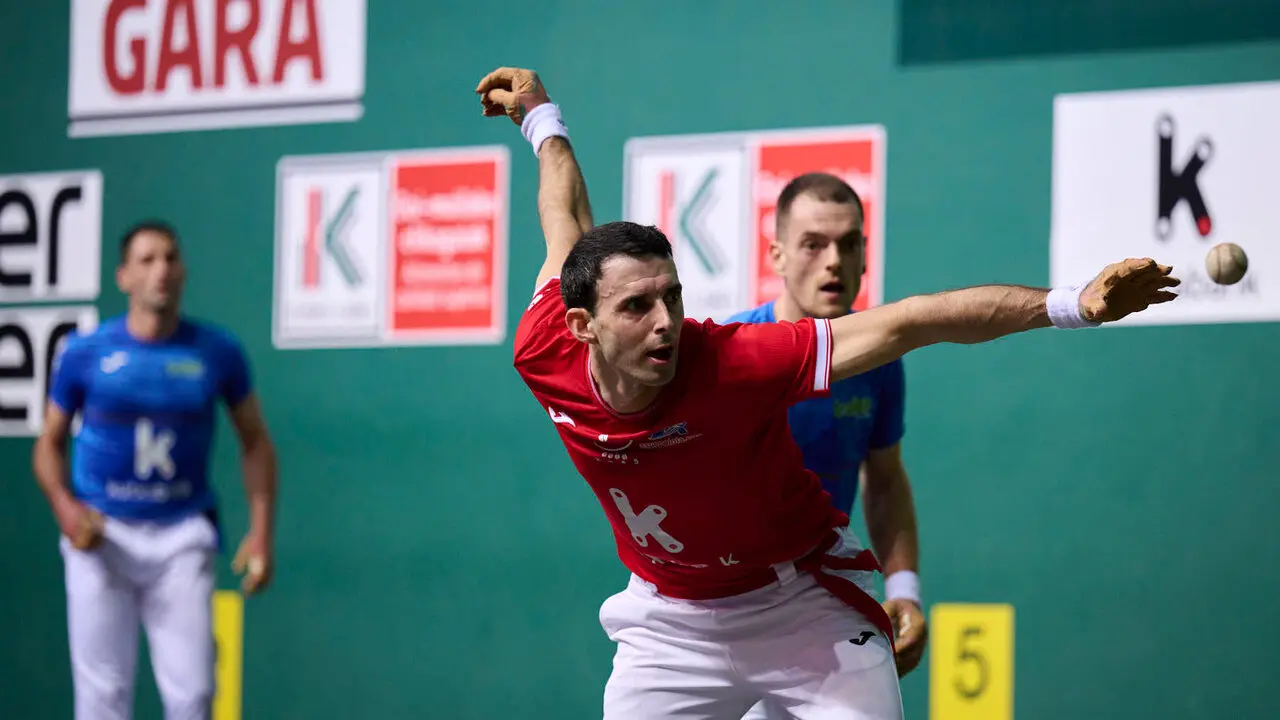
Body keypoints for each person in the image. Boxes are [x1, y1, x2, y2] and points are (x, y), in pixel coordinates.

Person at [477, 66, 1178, 719]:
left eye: (674, 297)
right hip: (670, 624)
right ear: (583, 326)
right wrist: (543, 120)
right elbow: (563, 217)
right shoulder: (543, 345)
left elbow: (912, 322)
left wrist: (1072, 303)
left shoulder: (738, 361)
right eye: (636, 308)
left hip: (799, 610)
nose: (667, 324)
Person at [32, 221, 279, 720]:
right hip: (101, 539)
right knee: (103, 698)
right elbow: (49, 445)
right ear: (123, 277)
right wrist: (64, 507)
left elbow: (255, 441)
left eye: (170, 258)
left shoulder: (217, 352)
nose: (161, 270)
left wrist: (260, 534)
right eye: (146, 260)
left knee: (193, 697)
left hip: (182, 537)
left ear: (183, 271)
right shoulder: (85, 354)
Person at [725, 173, 926, 714]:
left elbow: (883, 479)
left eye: (849, 243)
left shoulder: (880, 360)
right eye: (813, 244)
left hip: (823, 602)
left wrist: (904, 587)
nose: (834, 260)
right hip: (726, 608)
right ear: (778, 256)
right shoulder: (733, 351)